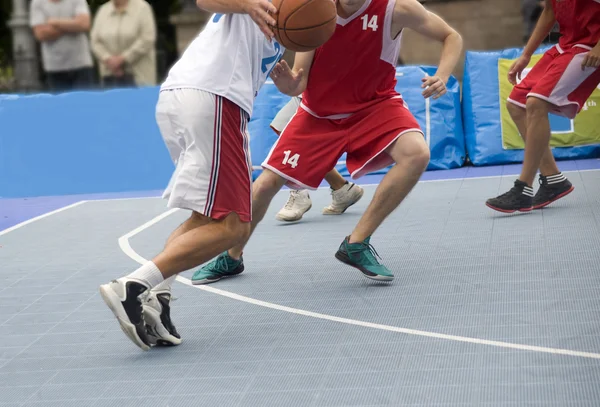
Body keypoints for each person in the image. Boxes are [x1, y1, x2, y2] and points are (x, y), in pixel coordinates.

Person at [193, 0, 462, 284]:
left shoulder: (396, 8)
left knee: (417, 153)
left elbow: (451, 37)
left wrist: (442, 75)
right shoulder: (314, 10)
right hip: (318, 114)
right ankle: (231, 256)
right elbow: (299, 84)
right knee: (265, 184)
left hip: (375, 106)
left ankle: (356, 243)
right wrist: (287, 85)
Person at [99, 2, 283, 351]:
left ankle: (159, 296)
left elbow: (297, 75)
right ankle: (135, 286)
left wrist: (290, 82)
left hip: (193, 96)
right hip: (214, 98)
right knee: (234, 226)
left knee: (208, 218)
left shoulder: (304, 19)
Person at [486, 0, 600, 213]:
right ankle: (552, 178)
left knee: (536, 103)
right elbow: (549, 10)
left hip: (590, 46)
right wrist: (526, 55)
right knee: (516, 104)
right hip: (566, 45)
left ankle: (523, 188)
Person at [270, 95, 365, 222]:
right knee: (283, 127)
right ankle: (341, 188)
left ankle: (298, 191)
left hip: (329, 90)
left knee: (292, 134)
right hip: (307, 91)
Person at [29, 0, 95, 92]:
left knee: (84, 104)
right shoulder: (37, 2)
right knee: (60, 105)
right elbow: (40, 34)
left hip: (81, 65)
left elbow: (84, 24)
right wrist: (72, 24)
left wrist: (55, 22)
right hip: (54, 67)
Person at [90, 0, 158, 88]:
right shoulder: (103, 10)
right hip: (110, 78)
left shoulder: (142, 8)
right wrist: (108, 59)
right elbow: (95, 41)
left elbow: (147, 38)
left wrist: (123, 59)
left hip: (139, 79)